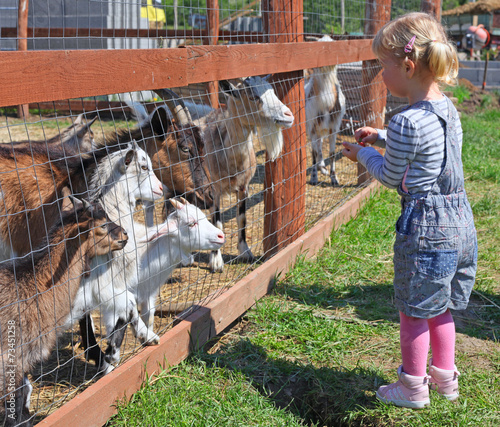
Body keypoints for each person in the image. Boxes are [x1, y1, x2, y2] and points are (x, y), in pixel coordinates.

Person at [342, 12, 477, 409]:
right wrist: (382, 137)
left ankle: (413, 387)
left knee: (414, 311)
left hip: (428, 229)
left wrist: (365, 153)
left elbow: (389, 174)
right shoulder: (447, 109)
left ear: (407, 65)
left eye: (382, 65)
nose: (380, 74)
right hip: (461, 223)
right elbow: (432, 151)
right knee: (443, 307)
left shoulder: (405, 121)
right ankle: (445, 381)